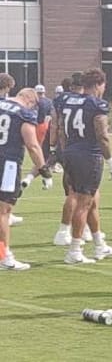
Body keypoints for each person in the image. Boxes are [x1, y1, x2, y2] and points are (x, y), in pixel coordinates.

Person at [57, 68, 112, 264]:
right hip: (88, 155)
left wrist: (64, 151)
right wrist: (110, 160)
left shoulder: (66, 99)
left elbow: (60, 128)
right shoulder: (96, 104)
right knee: (84, 202)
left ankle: (100, 244)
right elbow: (102, 135)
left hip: (70, 151)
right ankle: (75, 250)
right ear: (100, 84)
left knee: (90, 200)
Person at [0, 88, 53, 270]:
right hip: (7, 164)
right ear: (29, 100)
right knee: (3, 211)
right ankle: (4, 256)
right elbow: (32, 145)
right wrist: (44, 170)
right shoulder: (24, 113)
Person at [0, 73, 23, 227]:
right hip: (7, 155)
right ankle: (4, 251)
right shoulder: (14, 108)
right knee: (5, 199)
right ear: (7, 87)